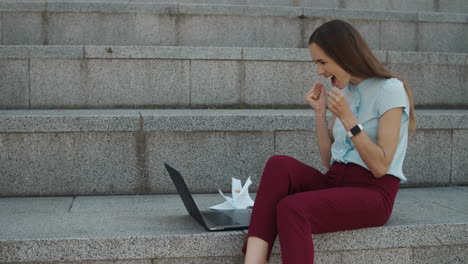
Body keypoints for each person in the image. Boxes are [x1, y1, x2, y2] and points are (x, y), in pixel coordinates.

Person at [242, 19, 416, 264]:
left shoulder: (390, 90)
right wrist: (320, 113)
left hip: (373, 193)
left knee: (292, 208)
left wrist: (347, 118)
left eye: (322, 62)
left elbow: (380, 167)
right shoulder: (344, 92)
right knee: (279, 164)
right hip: (337, 181)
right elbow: (329, 161)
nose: (319, 72)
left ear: (344, 55)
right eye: (317, 63)